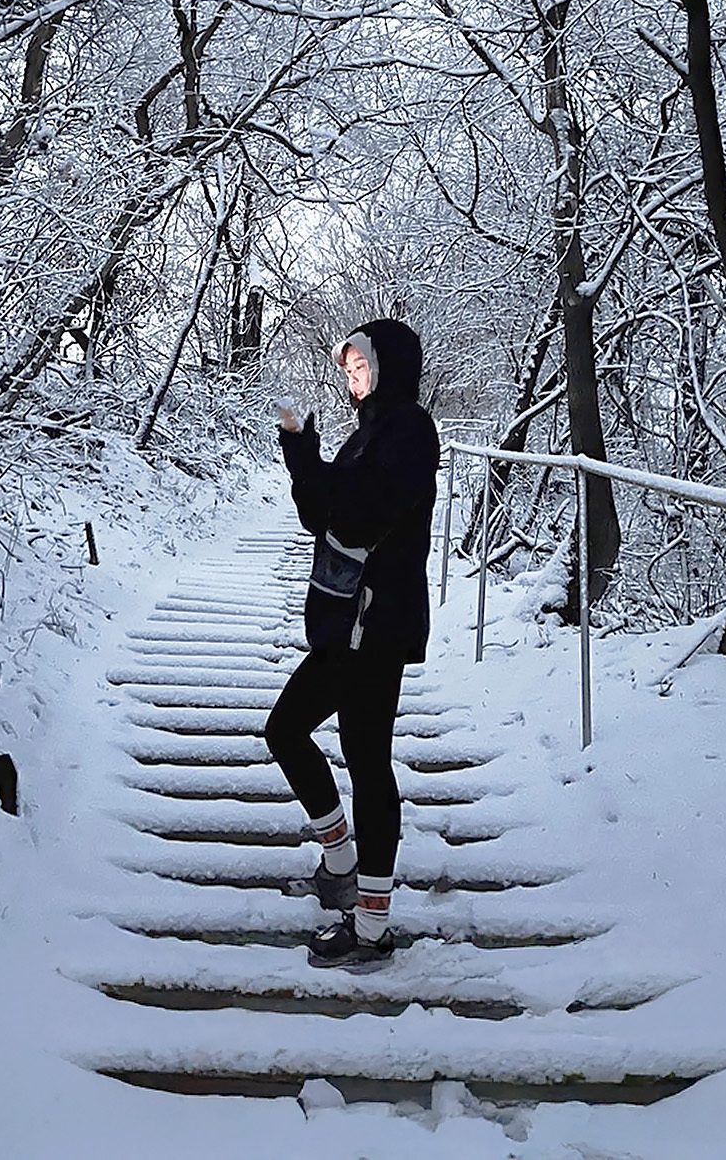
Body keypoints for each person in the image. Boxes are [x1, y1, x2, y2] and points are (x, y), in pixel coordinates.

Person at [265, 318, 440, 969]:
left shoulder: (410, 431)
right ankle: (340, 864)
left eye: (361, 367)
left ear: (388, 368)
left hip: (377, 623)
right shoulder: (366, 435)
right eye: (348, 370)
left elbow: (364, 514)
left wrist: (321, 476)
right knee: (287, 731)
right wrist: (302, 455)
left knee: (367, 763)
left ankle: (370, 929)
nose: (352, 378)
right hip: (347, 624)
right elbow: (323, 514)